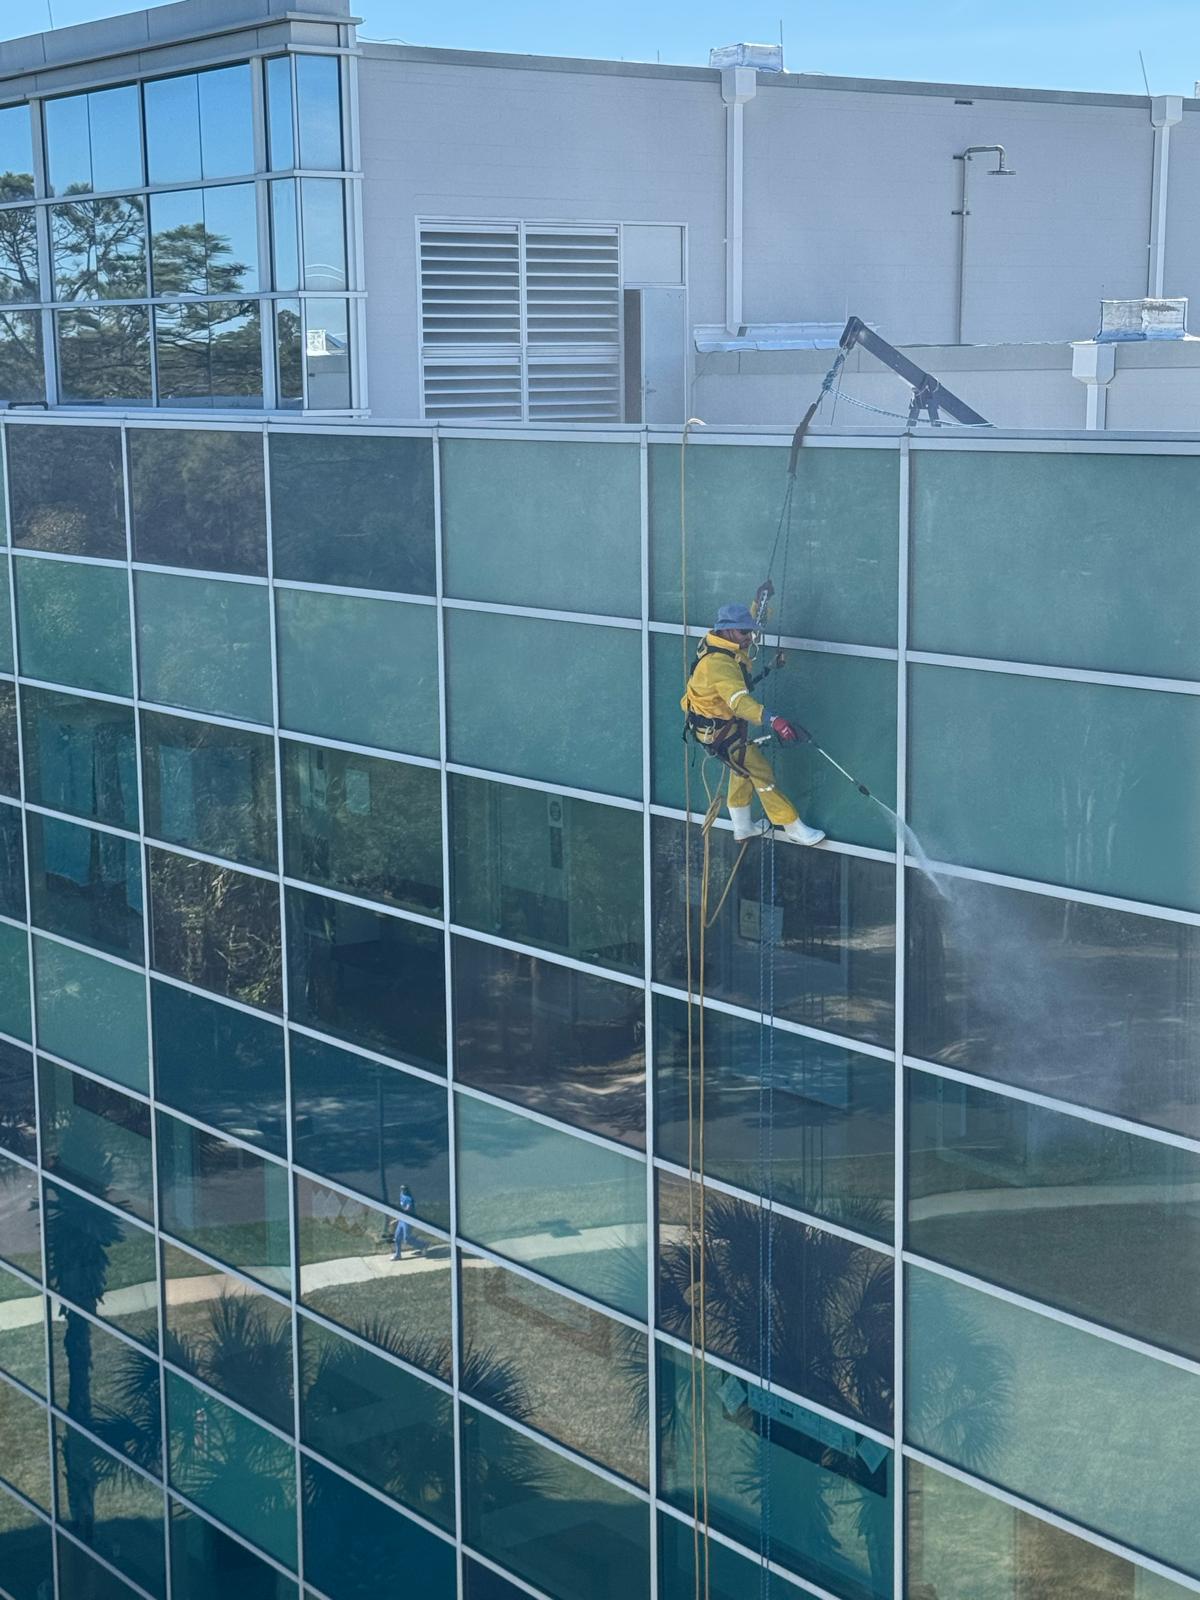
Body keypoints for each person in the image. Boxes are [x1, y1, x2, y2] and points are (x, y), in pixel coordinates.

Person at [681, 586, 825, 846]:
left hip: (719, 728)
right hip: (720, 732)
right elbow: (738, 702)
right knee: (761, 773)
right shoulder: (719, 664)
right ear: (726, 630)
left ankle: (742, 826)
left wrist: (761, 602)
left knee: (742, 770)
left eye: (750, 632)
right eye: (744, 632)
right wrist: (772, 719)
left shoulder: (722, 643)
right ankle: (792, 825)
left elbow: (750, 626)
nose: (749, 637)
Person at [391, 1185, 415, 1259]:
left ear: (406, 1190)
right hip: (402, 1219)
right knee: (397, 1237)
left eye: (404, 1189)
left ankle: (423, 1245)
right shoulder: (401, 1195)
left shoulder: (409, 1198)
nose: (402, 1190)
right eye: (401, 1189)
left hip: (408, 1220)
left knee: (407, 1239)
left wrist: (396, 1219)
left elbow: (407, 1209)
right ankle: (398, 1255)